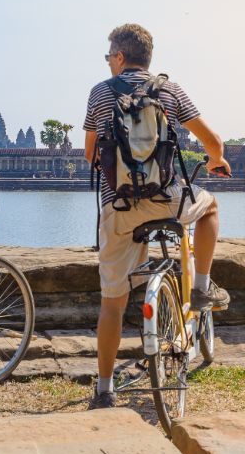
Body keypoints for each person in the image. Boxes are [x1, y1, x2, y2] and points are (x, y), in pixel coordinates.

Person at [83, 23, 231, 409]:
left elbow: (90, 156)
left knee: (111, 302)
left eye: (108, 56)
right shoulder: (169, 89)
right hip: (167, 200)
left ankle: (103, 389)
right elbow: (213, 142)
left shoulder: (100, 93)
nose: (107, 62)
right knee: (210, 206)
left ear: (118, 57)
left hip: (116, 205)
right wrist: (216, 161)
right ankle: (200, 286)